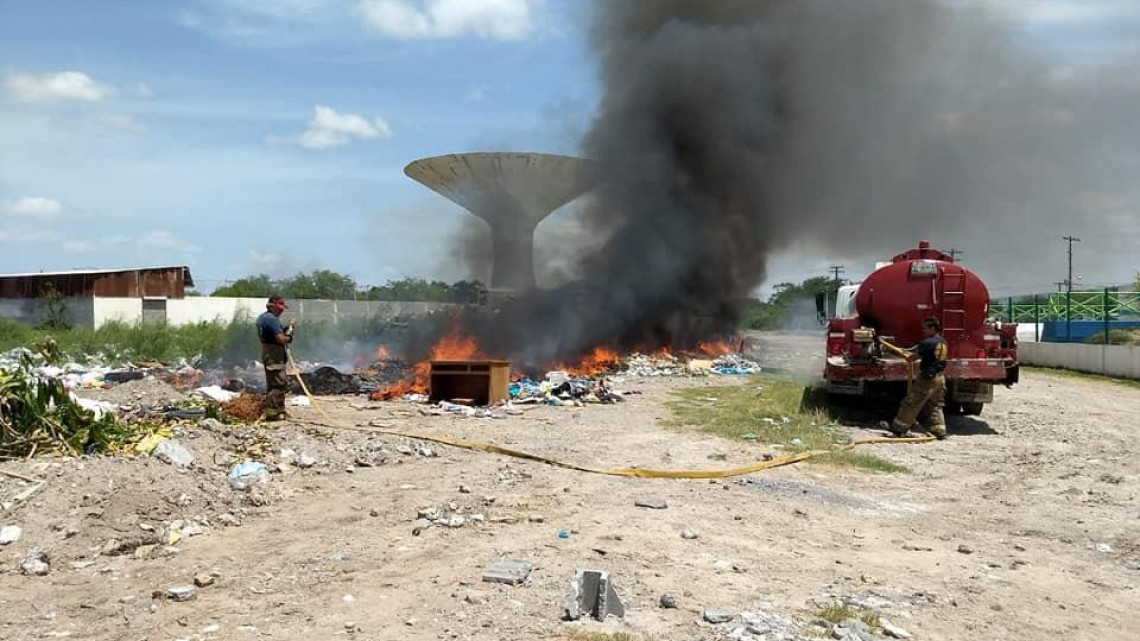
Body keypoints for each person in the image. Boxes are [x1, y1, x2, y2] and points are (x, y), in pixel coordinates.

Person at [890, 316, 948, 439]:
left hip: (928, 379)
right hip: (940, 378)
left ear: (933, 328)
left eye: (925, 328)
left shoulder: (927, 343)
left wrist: (905, 357)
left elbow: (913, 357)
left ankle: (898, 429)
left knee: (912, 402)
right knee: (935, 404)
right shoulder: (943, 342)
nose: (923, 331)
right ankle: (939, 430)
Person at [256, 296, 294, 421]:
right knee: (279, 383)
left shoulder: (263, 318)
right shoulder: (272, 320)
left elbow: (273, 335)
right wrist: (289, 336)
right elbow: (280, 339)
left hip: (269, 353)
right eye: (279, 308)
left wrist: (284, 330)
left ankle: (279, 410)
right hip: (274, 355)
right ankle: (273, 412)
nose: (281, 311)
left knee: (274, 383)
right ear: (271, 306)